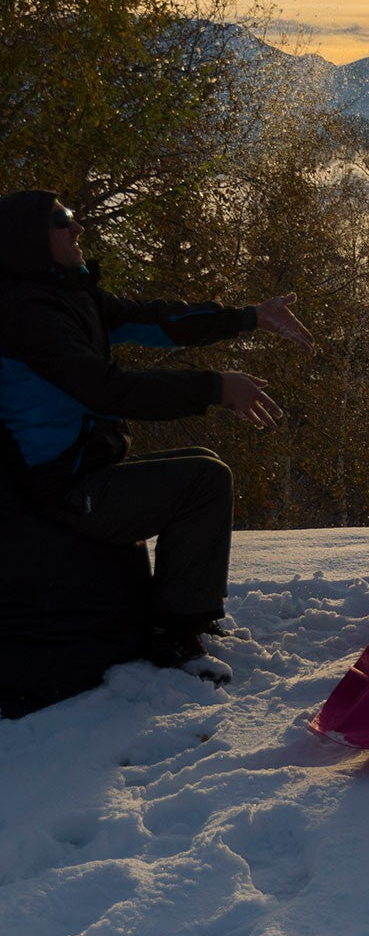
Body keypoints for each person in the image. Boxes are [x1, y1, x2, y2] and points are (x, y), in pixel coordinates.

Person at [0, 189, 314, 683]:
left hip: (82, 470)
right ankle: (174, 638)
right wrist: (215, 387)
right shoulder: (28, 315)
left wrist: (249, 317)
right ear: (31, 238)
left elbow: (155, 320)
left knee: (200, 462)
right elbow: (107, 391)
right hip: (57, 489)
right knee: (203, 479)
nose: (78, 229)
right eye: (64, 220)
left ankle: (181, 616)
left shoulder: (66, 295)